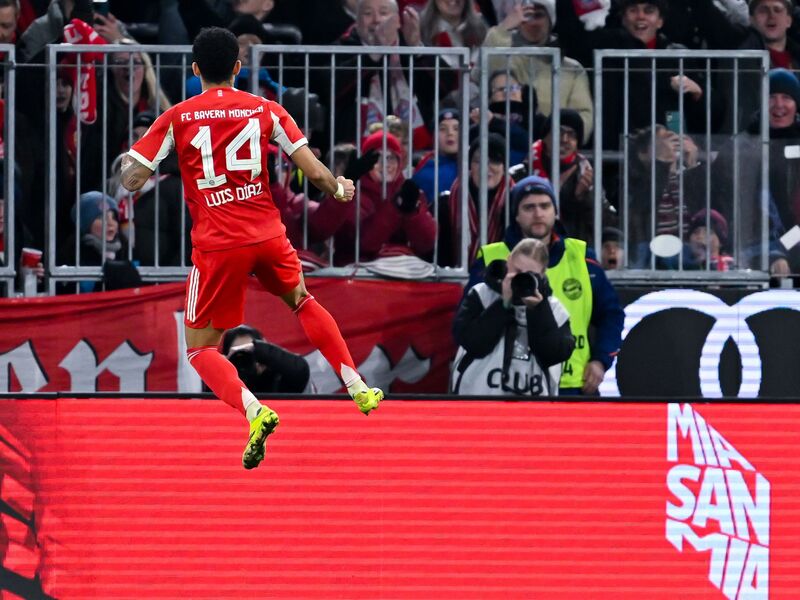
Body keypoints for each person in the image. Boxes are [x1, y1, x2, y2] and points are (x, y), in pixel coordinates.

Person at [120, 27, 384, 470]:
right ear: (238, 68)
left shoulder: (178, 118)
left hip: (218, 245)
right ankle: (356, 384)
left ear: (196, 69)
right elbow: (316, 173)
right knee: (302, 301)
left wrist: (136, 164)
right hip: (266, 235)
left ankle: (253, 409)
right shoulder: (266, 109)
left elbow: (132, 179)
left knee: (200, 349)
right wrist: (340, 188)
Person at [466, 176, 624, 395]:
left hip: (571, 384)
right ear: (516, 215)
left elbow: (611, 315)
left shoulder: (581, 258)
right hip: (505, 384)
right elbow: (468, 325)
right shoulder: (491, 260)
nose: (538, 213)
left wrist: (600, 360)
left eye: (545, 206)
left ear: (555, 212)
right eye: (529, 207)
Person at [451, 237, 575, 395]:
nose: (521, 279)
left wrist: (538, 310)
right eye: (516, 271)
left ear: (543, 274)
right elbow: (471, 342)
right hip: (478, 397)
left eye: (530, 275)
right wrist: (504, 304)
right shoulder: (481, 294)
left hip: (532, 402)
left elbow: (554, 354)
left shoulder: (554, 309)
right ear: (508, 260)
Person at [481, 0, 594, 142]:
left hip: (554, 149)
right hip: (508, 146)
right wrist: (503, 28)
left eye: (539, 15)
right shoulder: (506, 58)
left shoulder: (572, 69)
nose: (533, 23)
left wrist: (558, 139)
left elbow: (584, 117)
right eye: (527, 16)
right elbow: (486, 71)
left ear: (550, 20)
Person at [220, 325, 311, 393]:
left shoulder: (278, 378)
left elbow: (300, 370)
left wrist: (259, 349)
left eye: (249, 352)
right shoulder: (223, 386)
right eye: (240, 355)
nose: (245, 357)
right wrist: (220, 369)